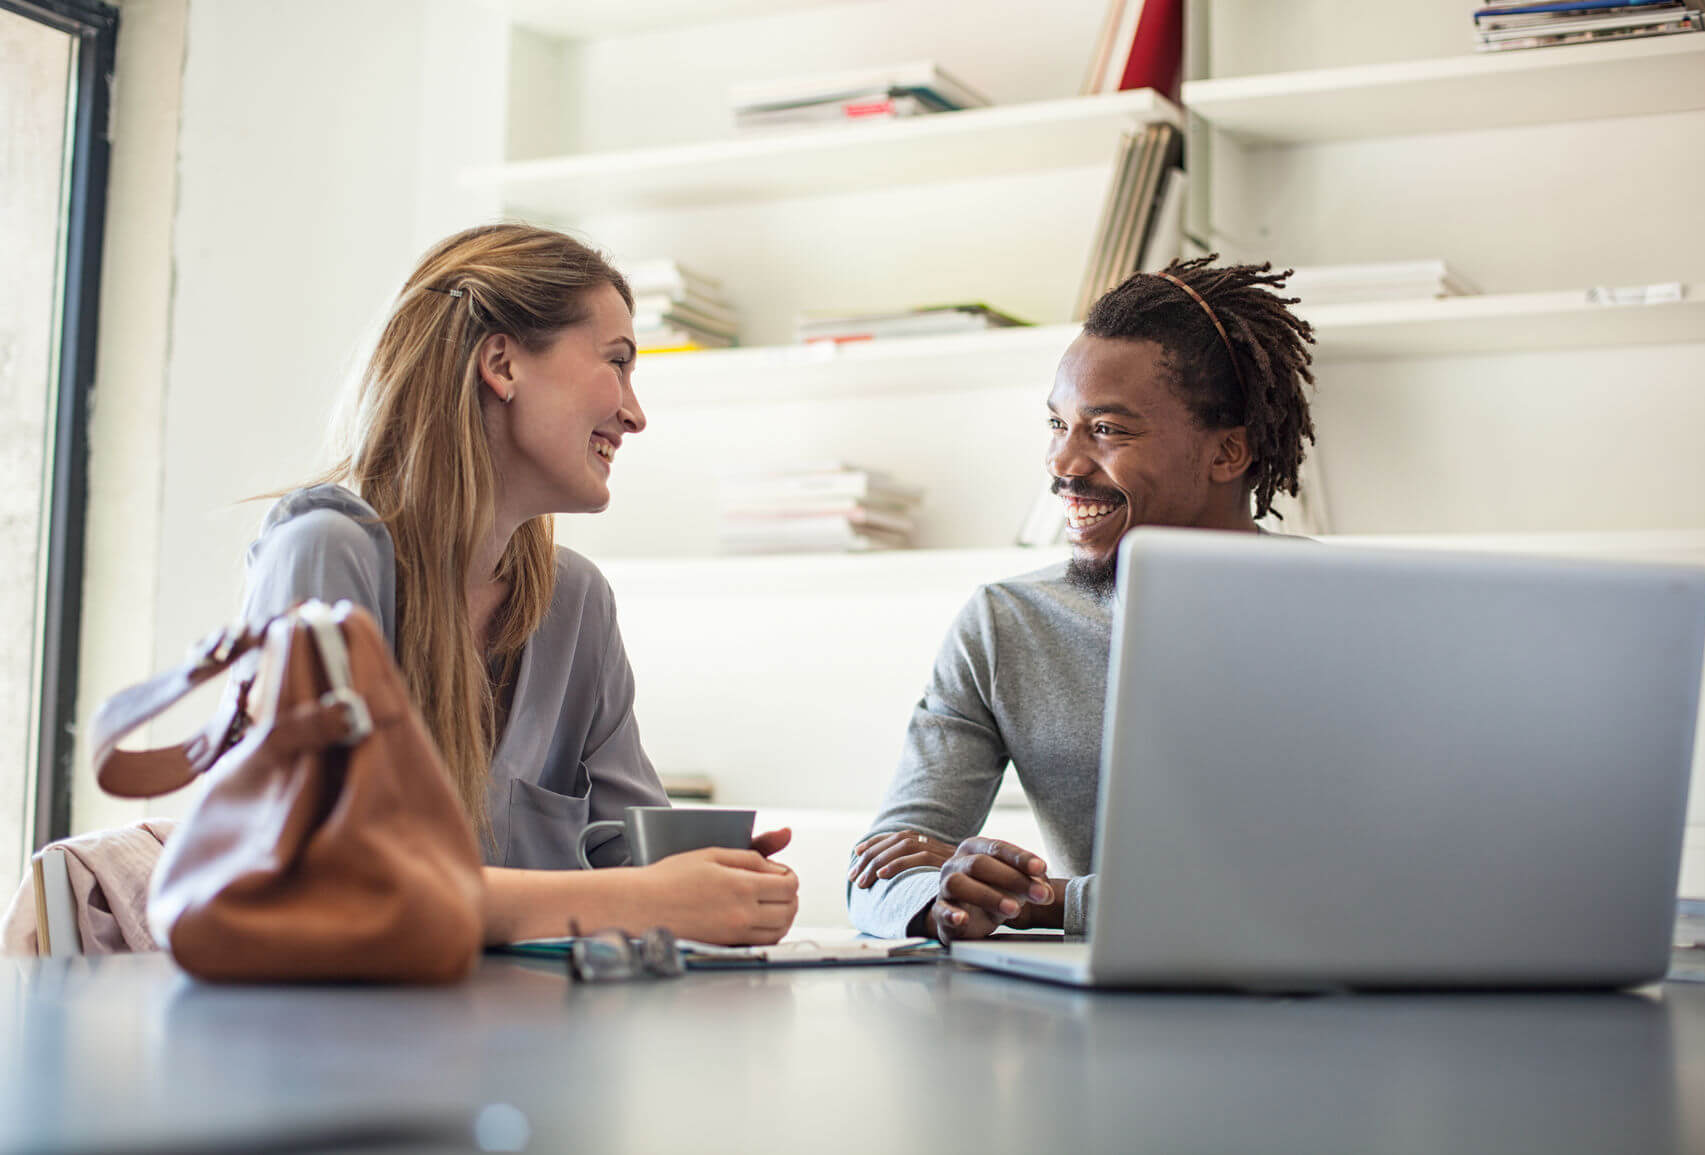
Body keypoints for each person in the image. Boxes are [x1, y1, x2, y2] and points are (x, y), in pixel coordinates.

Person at [240, 223, 798, 946]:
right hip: (350, 1042)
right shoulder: (325, 553)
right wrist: (648, 898)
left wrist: (717, 879)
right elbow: (328, 877)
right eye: (617, 363)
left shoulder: (577, 604)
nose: (635, 413)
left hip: (540, 1039)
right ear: (501, 363)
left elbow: (626, 856)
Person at [847, 256, 1316, 942]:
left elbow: (1312, 898)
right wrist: (946, 897)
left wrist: (1046, 901)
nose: (1062, 464)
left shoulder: (1341, 620)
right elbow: (879, 871)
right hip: (1095, 1022)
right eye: (1056, 424)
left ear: (1227, 453)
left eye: (1105, 429)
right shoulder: (1006, 625)